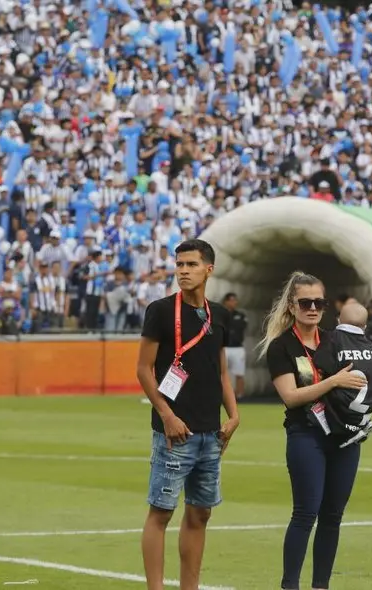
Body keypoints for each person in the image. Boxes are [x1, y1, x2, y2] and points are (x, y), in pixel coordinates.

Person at [136, 238, 240, 590]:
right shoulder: (161, 311)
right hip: (173, 431)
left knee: (200, 513)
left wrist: (234, 415)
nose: (183, 271)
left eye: (191, 264)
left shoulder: (220, 315)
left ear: (209, 268)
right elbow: (143, 369)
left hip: (211, 431)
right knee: (161, 512)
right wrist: (166, 414)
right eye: (179, 264)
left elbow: (222, 371)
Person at [258, 271, 367, 590]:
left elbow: (364, 376)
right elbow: (290, 397)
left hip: (345, 436)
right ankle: (289, 585)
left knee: (332, 516)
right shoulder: (282, 347)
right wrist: (333, 382)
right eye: (305, 302)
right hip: (306, 434)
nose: (313, 308)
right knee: (306, 513)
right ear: (292, 306)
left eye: (318, 302)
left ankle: (321, 586)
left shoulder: (336, 339)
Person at [310, 301, 372, 448]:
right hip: (370, 402)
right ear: (365, 326)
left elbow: (319, 362)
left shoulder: (333, 338)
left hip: (342, 407)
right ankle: (361, 424)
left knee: (326, 390)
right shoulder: (369, 345)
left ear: (338, 320)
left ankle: (347, 430)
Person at [222, 292, 248, 399]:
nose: (233, 302)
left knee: (239, 372)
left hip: (237, 347)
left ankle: (239, 395)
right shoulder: (221, 314)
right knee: (222, 372)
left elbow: (242, 327)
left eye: (235, 300)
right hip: (224, 347)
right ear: (226, 301)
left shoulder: (241, 315)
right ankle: (223, 395)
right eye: (231, 300)